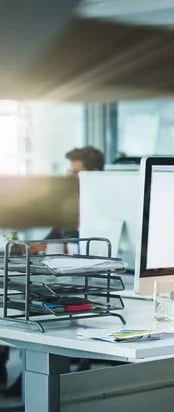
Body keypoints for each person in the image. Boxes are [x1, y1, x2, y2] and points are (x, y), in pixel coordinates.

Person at [2, 146, 105, 396]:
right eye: (69, 173)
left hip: (89, 280)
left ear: (94, 175)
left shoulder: (102, 205)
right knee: (12, 298)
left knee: (28, 307)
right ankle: (13, 378)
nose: (69, 179)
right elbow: (48, 242)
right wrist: (21, 248)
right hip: (58, 274)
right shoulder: (69, 207)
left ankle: (34, 387)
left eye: (75, 173)